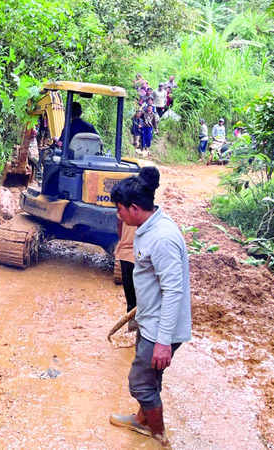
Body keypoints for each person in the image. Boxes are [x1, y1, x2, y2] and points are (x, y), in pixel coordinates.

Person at [108, 167, 191, 449]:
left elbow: (173, 292)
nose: (118, 215)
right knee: (151, 377)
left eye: (120, 209)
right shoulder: (151, 225)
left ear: (134, 208)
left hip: (160, 328)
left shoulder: (162, 238)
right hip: (151, 321)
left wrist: (163, 342)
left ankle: (159, 439)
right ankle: (142, 421)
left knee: (140, 382)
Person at [116, 217, 139, 332]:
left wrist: (123, 240)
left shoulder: (123, 208)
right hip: (140, 255)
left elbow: (119, 225)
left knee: (130, 296)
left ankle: (132, 326)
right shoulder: (146, 209)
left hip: (125, 253)